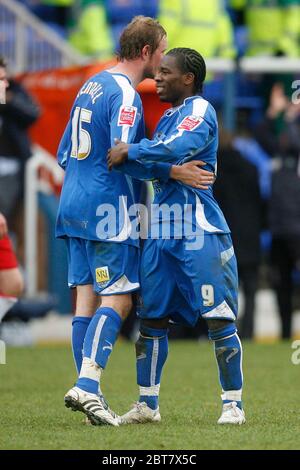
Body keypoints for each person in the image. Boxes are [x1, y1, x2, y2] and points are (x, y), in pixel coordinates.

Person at [57, 17, 215, 426]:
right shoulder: (126, 96)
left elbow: (63, 154)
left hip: (72, 201)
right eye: (162, 52)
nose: (163, 63)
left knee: (85, 301)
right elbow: (124, 154)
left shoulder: (91, 84)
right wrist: (175, 172)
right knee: (121, 297)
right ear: (146, 51)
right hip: (106, 208)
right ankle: (88, 386)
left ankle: (91, 398)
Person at [108, 48, 246, 425]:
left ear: (188, 78)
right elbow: (149, 164)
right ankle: (147, 405)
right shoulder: (168, 117)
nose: (158, 79)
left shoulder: (201, 111)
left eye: (166, 73)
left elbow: (171, 150)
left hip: (198, 228)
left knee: (218, 318)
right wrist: (166, 169)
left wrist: (133, 151)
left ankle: (233, 404)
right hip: (160, 230)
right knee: (150, 320)